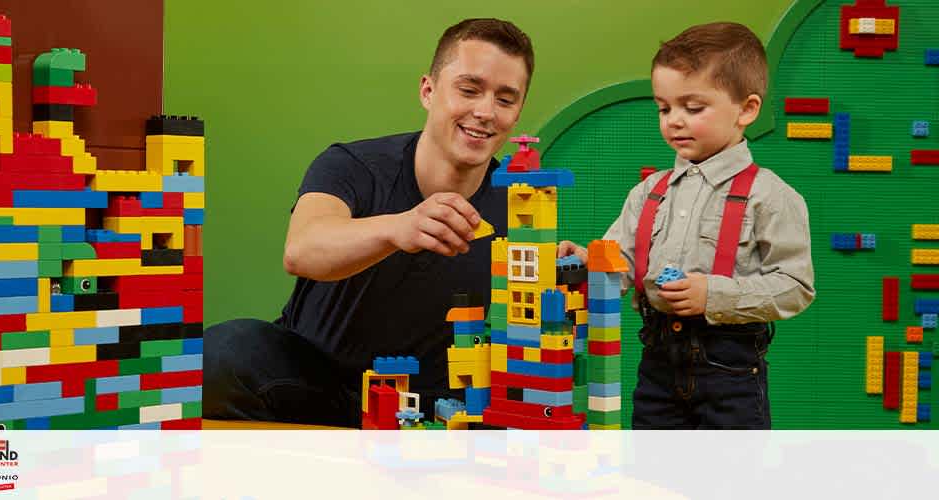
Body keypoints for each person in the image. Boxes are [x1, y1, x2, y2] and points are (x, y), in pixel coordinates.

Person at [204, 18, 585, 427]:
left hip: (434, 406)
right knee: (225, 349)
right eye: (469, 90)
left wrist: (565, 271)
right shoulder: (353, 166)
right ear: (428, 90)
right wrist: (398, 227)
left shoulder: (519, 202)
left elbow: (531, 310)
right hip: (317, 384)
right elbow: (303, 249)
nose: (485, 112)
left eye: (506, 100)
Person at [601, 22, 815, 428]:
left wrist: (713, 295)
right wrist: (587, 262)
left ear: (747, 110)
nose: (674, 121)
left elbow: (796, 286)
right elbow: (618, 264)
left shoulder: (769, 196)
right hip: (657, 363)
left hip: (730, 371)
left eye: (693, 108)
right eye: (664, 108)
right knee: (653, 476)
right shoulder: (648, 192)